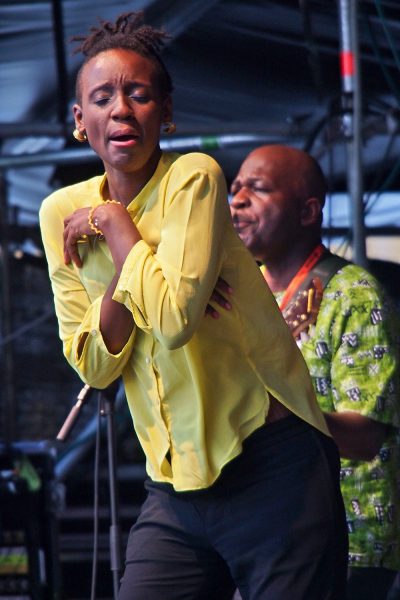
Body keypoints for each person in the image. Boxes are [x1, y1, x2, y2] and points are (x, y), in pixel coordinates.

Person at [39, 13, 348, 599]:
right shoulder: (59, 212)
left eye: (139, 94)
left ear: (167, 111)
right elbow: (94, 366)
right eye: (102, 98)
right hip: (173, 486)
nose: (121, 109)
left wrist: (115, 225)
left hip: (271, 464)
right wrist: (150, 279)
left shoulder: (193, 179)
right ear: (80, 121)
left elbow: (176, 324)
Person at [228, 144, 400, 600]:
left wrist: (279, 417)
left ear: (308, 211)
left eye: (258, 188)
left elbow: (365, 437)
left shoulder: (353, 294)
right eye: (236, 188)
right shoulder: (244, 295)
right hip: (269, 531)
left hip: (348, 538)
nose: (237, 199)